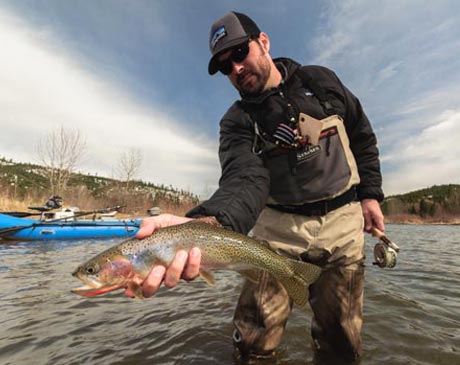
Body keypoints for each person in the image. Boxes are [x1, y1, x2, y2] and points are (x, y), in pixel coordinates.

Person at [127, 11, 385, 361]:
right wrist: (205, 225)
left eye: (238, 53)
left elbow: (361, 136)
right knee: (252, 341)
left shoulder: (322, 81)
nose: (234, 68)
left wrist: (370, 195)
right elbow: (243, 177)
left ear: (263, 42)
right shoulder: (237, 122)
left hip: (344, 223)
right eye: (223, 66)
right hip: (275, 232)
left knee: (341, 341)